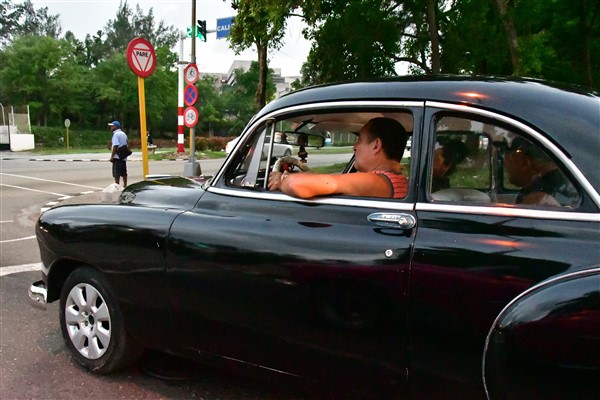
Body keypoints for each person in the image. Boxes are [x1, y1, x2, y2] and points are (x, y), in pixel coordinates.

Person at [268, 117, 408, 199]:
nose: (354, 147)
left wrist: (281, 180)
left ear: (376, 145)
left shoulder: (376, 181)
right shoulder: (400, 181)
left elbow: (296, 184)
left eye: (359, 140)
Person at [504, 137, 578, 207]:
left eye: (510, 158)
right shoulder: (562, 184)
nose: (504, 165)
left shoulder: (538, 199)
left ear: (524, 163)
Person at [108, 120, 128, 187]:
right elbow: (126, 143)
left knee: (117, 173)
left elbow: (115, 145)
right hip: (123, 156)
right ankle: (125, 185)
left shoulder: (116, 134)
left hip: (117, 156)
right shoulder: (123, 134)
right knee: (124, 172)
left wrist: (112, 156)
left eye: (112, 126)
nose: (110, 127)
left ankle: (117, 186)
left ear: (116, 126)